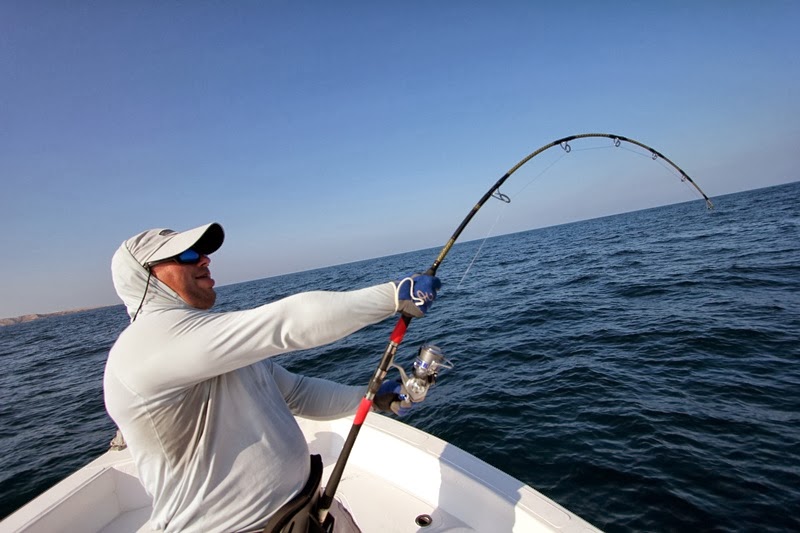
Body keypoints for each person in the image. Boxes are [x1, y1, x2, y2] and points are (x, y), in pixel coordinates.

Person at [104, 222, 441, 533]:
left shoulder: (204, 342)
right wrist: (393, 296)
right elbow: (284, 323)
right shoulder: (142, 345)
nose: (205, 260)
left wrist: (368, 398)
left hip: (308, 511)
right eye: (188, 255)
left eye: (202, 253)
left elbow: (297, 393)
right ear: (144, 276)